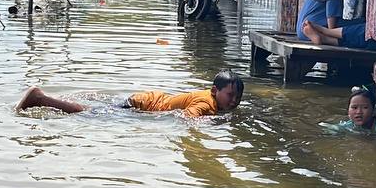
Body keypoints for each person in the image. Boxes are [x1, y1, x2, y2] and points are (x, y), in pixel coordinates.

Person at [16, 70, 244, 118]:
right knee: (88, 115)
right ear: (215, 91)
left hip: (147, 98)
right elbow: (188, 118)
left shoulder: (210, 97)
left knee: (103, 108)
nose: (233, 101)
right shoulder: (207, 104)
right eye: (230, 96)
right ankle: (40, 98)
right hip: (142, 106)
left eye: (237, 98)